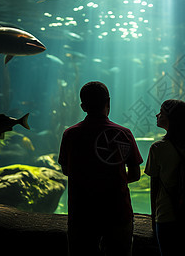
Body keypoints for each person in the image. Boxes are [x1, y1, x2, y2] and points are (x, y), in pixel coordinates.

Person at [58, 81, 143, 256]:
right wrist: (112, 178)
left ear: (82, 106)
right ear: (108, 102)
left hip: (81, 214)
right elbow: (135, 174)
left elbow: (66, 170)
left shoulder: (70, 134)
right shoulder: (123, 133)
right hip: (117, 212)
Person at [145, 99, 185, 256]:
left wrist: (154, 219)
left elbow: (155, 188)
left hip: (167, 217)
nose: (157, 115)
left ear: (171, 118)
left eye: (162, 112)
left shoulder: (157, 148)